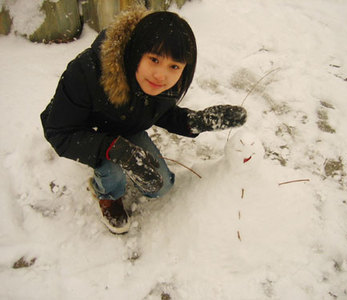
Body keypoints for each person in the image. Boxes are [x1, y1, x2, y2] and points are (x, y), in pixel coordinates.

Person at [40, 6, 247, 234]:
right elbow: (59, 132)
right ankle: (106, 195)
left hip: (127, 126)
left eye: (174, 66)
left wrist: (197, 121)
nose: (161, 75)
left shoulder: (167, 84)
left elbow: (161, 112)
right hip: (90, 132)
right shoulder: (85, 73)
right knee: (114, 175)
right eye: (154, 59)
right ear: (136, 51)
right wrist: (115, 150)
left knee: (160, 186)